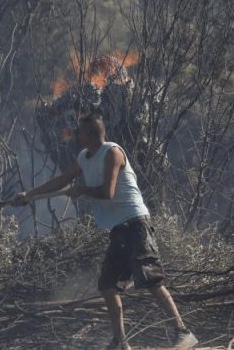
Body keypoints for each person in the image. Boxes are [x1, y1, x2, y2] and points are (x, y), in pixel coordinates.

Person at [14, 112, 197, 350]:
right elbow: (60, 181)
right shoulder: (83, 157)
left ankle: (183, 332)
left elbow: (107, 192)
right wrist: (29, 195)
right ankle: (120, 343)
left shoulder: (112, 152)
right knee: (108, 285)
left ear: (90, 134)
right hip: (119, 229)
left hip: (136, 224)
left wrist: (81, 189)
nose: (76, 135)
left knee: (150, 279)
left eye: (79, 132)